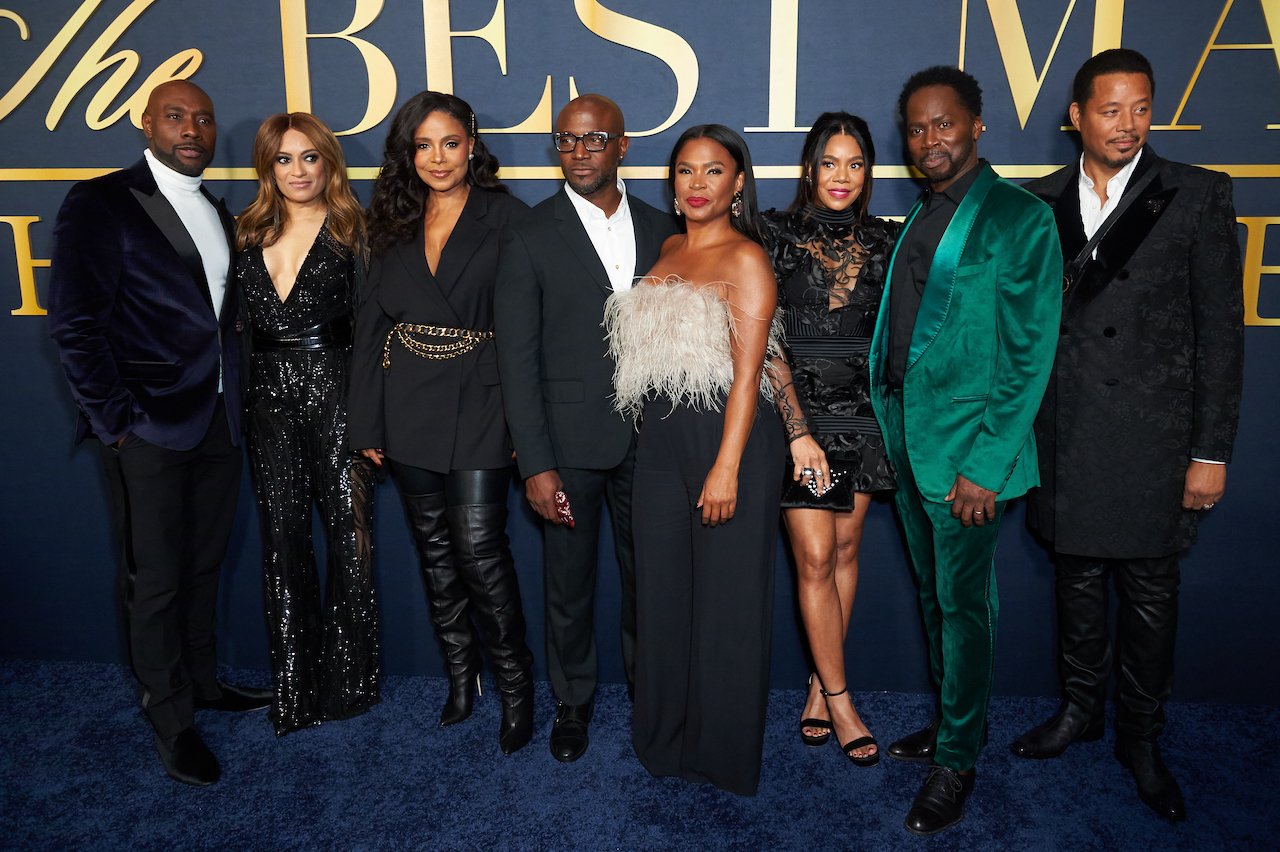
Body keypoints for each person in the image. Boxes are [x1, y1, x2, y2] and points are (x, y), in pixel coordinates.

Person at [1012, 49, 1245, 823]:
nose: (1128, 124)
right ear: (1076, 116)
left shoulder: (1197, 194)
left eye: (1141, 108)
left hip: (1155, 440)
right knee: (1076, 578)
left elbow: (1222, 335)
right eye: (1111, 110)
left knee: (1149, 592)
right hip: (1067, 433)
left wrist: (1209, 451)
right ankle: (1080, 713)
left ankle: (1142, 737)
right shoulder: (1036, 202)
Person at [47, 80, 271, 787]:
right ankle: (171, 722)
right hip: (148, 428)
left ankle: (202, 684)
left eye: (203, 118)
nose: (192, 129)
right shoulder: (102, 202)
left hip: (219, 422)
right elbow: (75, 326)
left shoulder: (217, 209)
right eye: (176, 116)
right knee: (155, 582)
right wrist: (118, 423)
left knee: (203, 567)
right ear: (147, 124)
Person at [868, 67, 1062, 833]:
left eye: (943, 123)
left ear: (977, 125)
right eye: (916, 128)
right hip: (909, 439)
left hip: (968, 457)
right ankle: (956, 723)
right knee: (934, 599)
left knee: (966, 609)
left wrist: (986, 466)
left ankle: (957, 760)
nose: (928, 140)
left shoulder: (1019, 217)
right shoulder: (923, 212)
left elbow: (1028, 355)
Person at [348, 91, 534, 754]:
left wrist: (526, 426)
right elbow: (369, 328)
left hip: (485, 399)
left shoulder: (507, 218)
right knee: (434, 552)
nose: (437, 158)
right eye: (423, 145)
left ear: (472, 146)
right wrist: (366, 422)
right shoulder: (390, 221)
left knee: (480, 551)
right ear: (408, 153)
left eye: (450, 143)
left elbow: (530, 330)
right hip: (408, 404)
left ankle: (516, 688)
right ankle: (462, 679)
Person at [494, 94, 677, 763]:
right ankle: (572, 701)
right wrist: (535, 463)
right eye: (566, 140)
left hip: (654, 441)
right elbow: (516, 359)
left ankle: (651, 694)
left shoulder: (664, 229)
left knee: (650, 578)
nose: (578, 152)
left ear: (622, 146)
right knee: (568, 585)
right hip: (568, 443)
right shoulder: (529, 234)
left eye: (594, 139)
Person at [605, 124, 784, 796]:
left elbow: (749, 376)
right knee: (660, 595)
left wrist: (726, 466)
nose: (698, 183)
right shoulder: (668, 249)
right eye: (685, 170)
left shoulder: (746, 259)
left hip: (727, 440)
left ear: (737, 184)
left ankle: (722, 754)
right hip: (659, 442)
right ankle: (664, 739)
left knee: (727, 603)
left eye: (714, 171)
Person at [760, 112, 899, 766]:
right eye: (829, 163)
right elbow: (763, 338)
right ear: (809, 169)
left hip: (863, 415)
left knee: (845, 550)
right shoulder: (772, 234)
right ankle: (843, 701)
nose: (842, 176)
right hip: (802, 416)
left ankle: (821, 682)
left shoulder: (887, 239)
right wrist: (797, 431)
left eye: (855, 164)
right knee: (814, 557)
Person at [235, 112, 379, 735]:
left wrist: (373, 419)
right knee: (282, 541)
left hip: (339, 392)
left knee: (350, 538)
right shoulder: (245, 233)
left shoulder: (356, 232)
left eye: (310, 157)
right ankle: (294, 688)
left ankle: (349, 684)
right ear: (268, 167)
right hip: (266, 401)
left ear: (329, 163)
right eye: (284, 159)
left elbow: (375, 333)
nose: (298, 171)